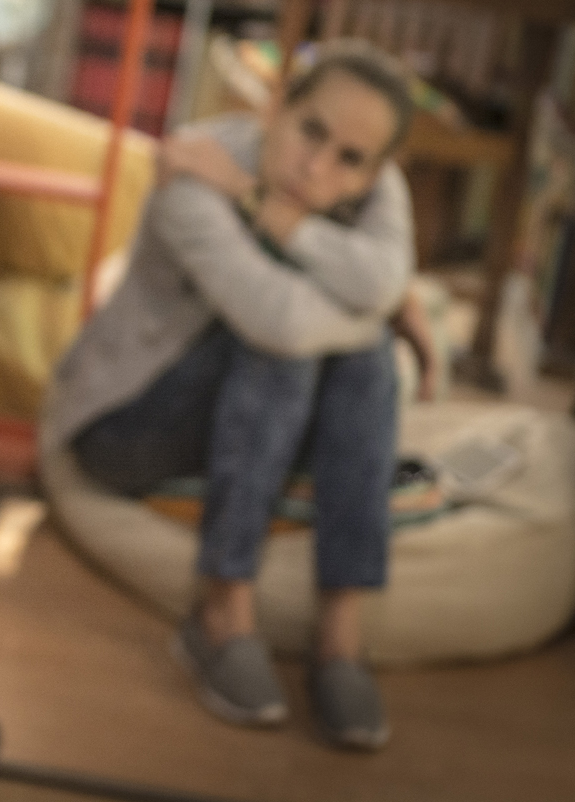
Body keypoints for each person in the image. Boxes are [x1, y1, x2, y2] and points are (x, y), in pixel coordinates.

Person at [43, 43, 416, 751]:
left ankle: (340, 635)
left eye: (350, 160)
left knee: (360, 365)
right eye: (310, 130)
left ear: (376, 171)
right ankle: (222, 610)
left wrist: (259, 204)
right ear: (277, 106)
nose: (318, 167)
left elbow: (383, 281)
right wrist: (385, 314)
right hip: (129, 422)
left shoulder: (376, 183)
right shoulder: (195, 165)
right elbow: (281, 318)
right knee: (316, 346)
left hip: (253, 423)